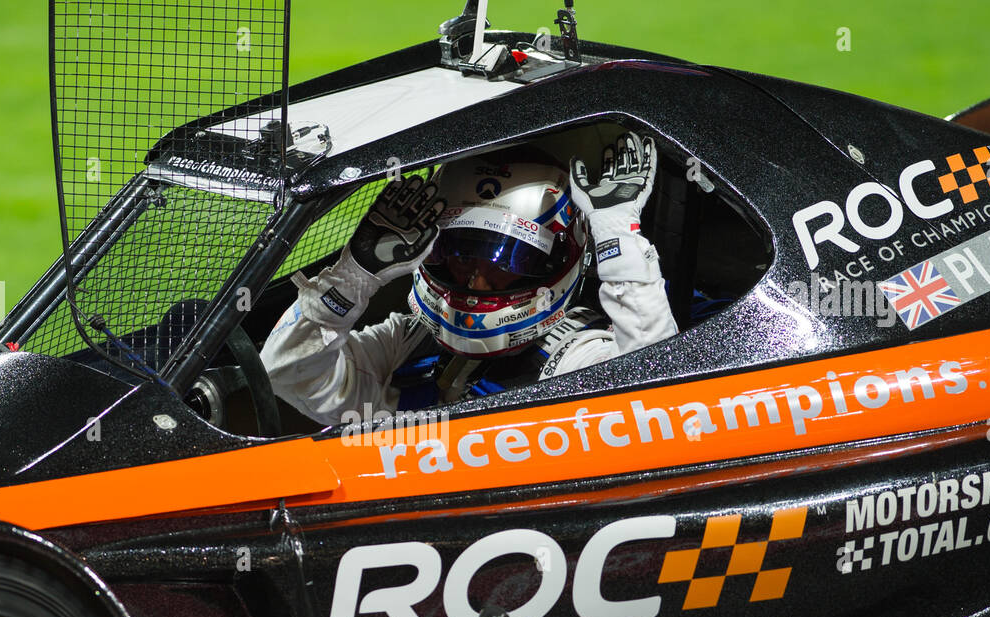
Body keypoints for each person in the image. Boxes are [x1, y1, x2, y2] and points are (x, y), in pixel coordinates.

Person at [260, 133, 677, 427]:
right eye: (458, 254)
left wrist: (619, 235)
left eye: (504, 261)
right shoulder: (407, 342)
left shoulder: (573, 356)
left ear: (559, 258)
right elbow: (284, 371)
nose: (475, 279)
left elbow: (660, 404)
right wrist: (353, 276)